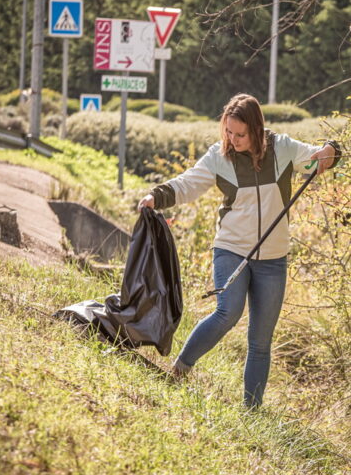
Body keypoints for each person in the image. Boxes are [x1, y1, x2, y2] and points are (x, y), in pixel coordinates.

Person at [137, 93, 340, 407]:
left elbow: (316, 159)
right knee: (227, 312)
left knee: (260, 340)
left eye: (240, 134)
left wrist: (331, 150)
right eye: (228, 132)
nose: (232, 139)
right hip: (232, 249)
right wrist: (156, 196)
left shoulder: (283, 148)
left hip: (273, 257)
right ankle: (179, 369)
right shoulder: (220, 156)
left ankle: (252, 410)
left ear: (257, 130)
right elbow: (188, 183)